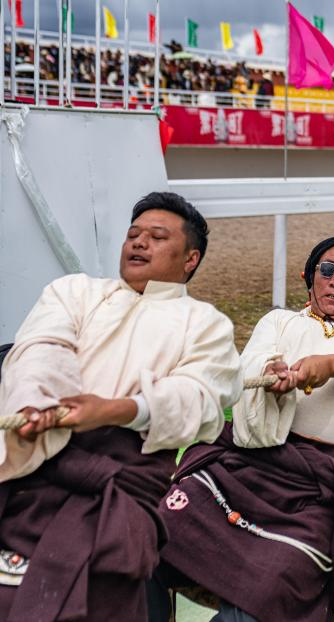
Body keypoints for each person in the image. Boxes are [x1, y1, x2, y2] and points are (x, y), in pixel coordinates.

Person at [0, 192, 242, 621]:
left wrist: (118, 410)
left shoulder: (206, 324)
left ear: (190, 259)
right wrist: (38, 406)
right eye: (133, 234)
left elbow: (198, 400)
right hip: (35, 460)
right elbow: (41, 349)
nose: (139, 242)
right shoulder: (73, 291)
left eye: (157, 236)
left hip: (122, 486)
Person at [152, 236, 334, 622]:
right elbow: (251, 363)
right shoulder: (278, 322)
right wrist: (270, 373)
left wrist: (332, 365)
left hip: (322, 489)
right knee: (154, 532)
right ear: (311, 277)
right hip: (251, 468)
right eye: (327, 269)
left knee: (273, 580)